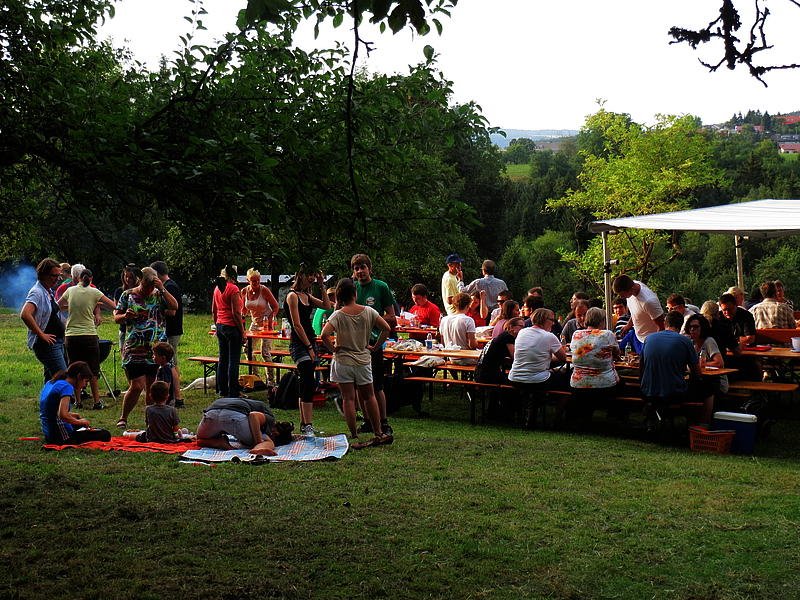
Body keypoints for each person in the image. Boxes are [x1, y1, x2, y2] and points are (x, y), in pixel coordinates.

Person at [321, 277, 392, 446]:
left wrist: (333, 349)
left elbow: (324, 335)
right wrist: (375, 346)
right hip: (363, 359)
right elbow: (386, 328)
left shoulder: (338, 315)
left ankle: (353, 433)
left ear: (339, 296)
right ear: (355, 293)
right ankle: (378, 431)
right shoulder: (369, 311)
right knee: (369, 396)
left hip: (343, 360)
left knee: (348, 399)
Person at [114, 266, 178, 428]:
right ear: (140, 281)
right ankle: (123, 417)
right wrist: (125, 316)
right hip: (134, 347)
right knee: (136, 386)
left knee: (152, 388)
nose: (148, 290)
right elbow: (116, 317)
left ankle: (150, 422)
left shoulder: (159, 295)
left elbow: (174, 307)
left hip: (155, 349)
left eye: (151, 286)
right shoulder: (128, 295)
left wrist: (162, 289)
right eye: (145, 286)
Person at [58, 268, 117, 410]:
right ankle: (97, 402)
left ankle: (77, 401)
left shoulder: (70, 290)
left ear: (78, 278)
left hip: (71, 336)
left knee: (74, 369)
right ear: (91, 279)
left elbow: (57, 305)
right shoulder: (95, 292)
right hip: (89, 335)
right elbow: (114, 305)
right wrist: (97, 304)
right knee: (93, 370)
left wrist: (71, 307)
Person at [351, 253, 397, 436]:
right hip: (356, 344)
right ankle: (367, 421)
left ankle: (384, 422)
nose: (360, 271)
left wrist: (371, 320)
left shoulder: (381, 287)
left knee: (376, 385)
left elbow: (392, 317)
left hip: (374, 343)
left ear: (369, 268)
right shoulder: (352, 288)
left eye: (363, 267)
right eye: (356, 268)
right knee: (359, 386)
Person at [284, 264, 331, 438]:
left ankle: (305, 424)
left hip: (310, 340)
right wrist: (309, 348)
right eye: (309, 275)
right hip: (299, 344)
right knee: (308, 381)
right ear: (300, 275)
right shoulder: (292, 296)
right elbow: (297, 325)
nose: (311, 278)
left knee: (306, 382)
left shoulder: (307, 296)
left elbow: (327, 305)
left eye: (313, 275)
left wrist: (322, 285)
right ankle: (308, 425)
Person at [639, 310, 701, 432]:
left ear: (665, 323)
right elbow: (696, 372)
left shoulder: (649, 338)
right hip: (673, 393)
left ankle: (654, 416)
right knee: (706, 389)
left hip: (647, 391)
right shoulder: (685, 341)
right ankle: (700, 423)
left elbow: (642, 366)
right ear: (681, 325)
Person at [508, 308, 568, 429]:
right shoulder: (549, 336)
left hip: (514, 378)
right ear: (544, 320)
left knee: (539, 381)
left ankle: (528, 414)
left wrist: (544, 356)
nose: (553, 323)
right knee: (567, 382)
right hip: (538, 381)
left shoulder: (522, 332)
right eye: (552, 320)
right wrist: (548, 357)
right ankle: (558, 419)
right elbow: (563, 358)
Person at [569, 307, 622, 423]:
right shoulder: (607, 335)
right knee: (623, 385)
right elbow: (617, 354)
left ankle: (584, 417)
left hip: (578, 385)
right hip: (605, 386)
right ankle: (614, 417)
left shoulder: (576, 334)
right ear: (602, 320)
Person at [39, 361, 111, 445]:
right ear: (79, 376)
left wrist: (73, 416)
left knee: (83, 427)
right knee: (105, 434)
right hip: (61, 437)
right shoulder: (66, 387)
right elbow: (62, 415)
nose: (85, 385)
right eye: (85, 381)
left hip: (49, 432)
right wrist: (81, 422)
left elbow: (51, 411)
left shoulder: (52, 382)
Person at [21, 258, 68, 382]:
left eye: (58, 275)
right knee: (64, 378)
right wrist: (41, 334)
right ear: (43, 275)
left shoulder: (48, 291)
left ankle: (47, 396)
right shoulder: (37, 292)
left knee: (51, 380)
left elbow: (52, 311)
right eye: (54, 275)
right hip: (48, 345)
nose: (57, 279)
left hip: (57, 342)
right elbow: (25, 314)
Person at [197, 397, 294, 455]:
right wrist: (258, 441)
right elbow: (253, 416)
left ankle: (218, 442)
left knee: (200, 440)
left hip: (211, 414)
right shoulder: (270, 420)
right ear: (276, 433)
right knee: (267, 440)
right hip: (235, 416)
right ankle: (258, 449)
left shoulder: (252, 404)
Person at [150, 261, 184, 404]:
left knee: (171, 364)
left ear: (157, 274)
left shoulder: (170, 287)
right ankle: (171, 394)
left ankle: (177, 396)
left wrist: (156, 311)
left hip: (171, 329)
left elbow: (172, 311)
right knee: (170, 363)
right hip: (168, 329)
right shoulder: (167, 286)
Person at [685, 313, 727, 423]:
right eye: (690, 327)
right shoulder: (691, 343)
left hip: (717, 381)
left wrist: (702, 365)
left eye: (696, 327)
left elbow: (719, 363)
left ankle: (705, 422)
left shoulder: (709, 341)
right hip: (699, 379)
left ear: (702, 328)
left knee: (706, 387)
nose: (692, 330)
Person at [240, 267, 280, 385]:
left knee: (265, 352)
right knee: (247, 349)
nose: (256, 283)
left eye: (258, 280)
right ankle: (256, 376)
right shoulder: (244, 291)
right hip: (255, 323)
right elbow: (244, 309)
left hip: (267, 323)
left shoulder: (264, 290)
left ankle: (271, 380)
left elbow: (276, 306)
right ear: (248, 280)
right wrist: (241, 315)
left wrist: (271, 319)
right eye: (253, 281)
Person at [212, 265, 245, 399]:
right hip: (232, 326)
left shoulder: (217, 288)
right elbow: (236, 312)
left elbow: (214, 310)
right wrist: (242, 331)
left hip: (220, 325)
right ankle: (233, 391)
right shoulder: (233, 289)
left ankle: (223, 389)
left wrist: (217, 325)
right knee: (233, 360)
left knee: (223, 359)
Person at [612, 275, 665, 345]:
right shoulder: (633, 285)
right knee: (618, 348)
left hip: (648, 339)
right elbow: (636, 311)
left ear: (631, 289)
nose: (621, 297)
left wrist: (653, 345)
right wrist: (628, 325)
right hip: (636, 334)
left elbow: (662, 327)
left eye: (622, 295)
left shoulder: (649, 302)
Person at [439, 292, 478, 364]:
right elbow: (472, 345)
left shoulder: (444, 320)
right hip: (466, 358)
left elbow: (443, 342)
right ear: (468, 305)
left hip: (450, 357)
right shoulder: (468, 320)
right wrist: (476, 341)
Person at [113, 264, 139, 351]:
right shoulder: (120, 291)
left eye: (130, 277)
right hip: (124, 329)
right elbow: (116, 310)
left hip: (139, 329)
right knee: (124, 352)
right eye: (125, 276)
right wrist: (123, 315)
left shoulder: (142, 291)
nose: (127, 279)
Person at [152, 342, 176, 406]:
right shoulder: (162, 367)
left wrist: (163, 397)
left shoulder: (166, 369)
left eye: (155, 355)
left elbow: (167, 384)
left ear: (163, 358)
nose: (153, 356)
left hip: (165, 400)